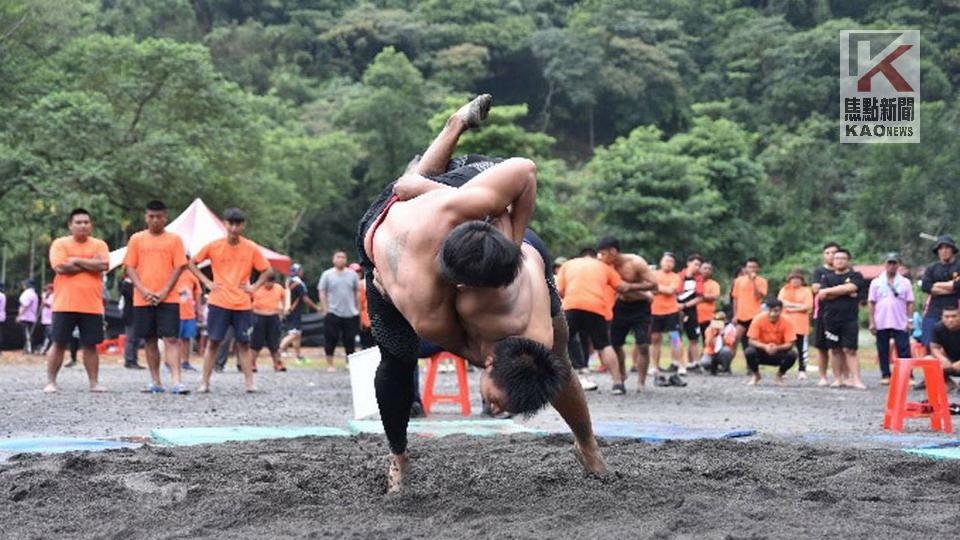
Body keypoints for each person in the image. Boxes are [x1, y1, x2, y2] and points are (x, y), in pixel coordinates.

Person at [357, 94, 605, 491]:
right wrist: (420, 188)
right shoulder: (426, 302)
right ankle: (399, 457)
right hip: (399, 230)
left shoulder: (528, 321)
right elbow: (409, 192)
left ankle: (588, 444)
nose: (494, 408)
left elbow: (521, 179)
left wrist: (514, 248)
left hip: (500, 248)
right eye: (499, 402)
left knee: (559, 354)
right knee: (396, 358)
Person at [187, 208, 273, 393]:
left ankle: (250, 383)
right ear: (224, 224)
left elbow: (267, 270)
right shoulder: (214, 245)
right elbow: (192, 263)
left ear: (243, 225)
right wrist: (206, 282)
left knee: (244, 343)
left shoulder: (250, 247)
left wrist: (254, 287)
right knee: (213, 342)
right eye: (230, 224)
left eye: (237, 224)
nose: (234, 228)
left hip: (242, 303)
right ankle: (205, 382)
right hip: (219, 301)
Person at [557, 244, 649, 394]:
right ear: (595, 255)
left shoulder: (568, 265)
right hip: (595, 308)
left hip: (571, 306)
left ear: (581, 255)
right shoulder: (604, 267)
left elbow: (559, 290)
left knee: (559, 343)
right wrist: (645, 288)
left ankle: (552, 382)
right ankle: (618, 384)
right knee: (604, 346)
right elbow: (622, 287)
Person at [123, 200, 189, 394]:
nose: (155, 220)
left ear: (165, 217)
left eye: (159, 216)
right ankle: (155, 381)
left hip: (168, 298)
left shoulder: (174, 239)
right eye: (151, 216)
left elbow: (179, 266)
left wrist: (165, 291)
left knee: (171, 338)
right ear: (146, 217)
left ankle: (177, 381)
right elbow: (130, 266)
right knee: (149, 339)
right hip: (142, 298)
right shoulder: (136, 239)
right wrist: (143, 290)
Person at [44, 208, 110, 393]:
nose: (82, 225)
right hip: (64, 303)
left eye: (86, 222)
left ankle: (94, 383)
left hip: (92, 304)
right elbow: (61, 268)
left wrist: (75, 260)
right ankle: (51, 381)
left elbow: (104, 265)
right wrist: (90, 263)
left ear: (91, 225)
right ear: (70, 225)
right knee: (58, 342)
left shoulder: (99, 245)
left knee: (91, 344)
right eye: (78, 222)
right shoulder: (60, 244)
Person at [597, 236, 657, 390]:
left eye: (604, 254)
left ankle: (641, 382)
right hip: (620, 306)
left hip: (641, 308)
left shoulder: (635, 262)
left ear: (613, 251)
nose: (602, 257)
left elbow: (654, 285)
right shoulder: (605, 265)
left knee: (643, 345)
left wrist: (629, 287)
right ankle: (621, 375)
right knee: (615, 345)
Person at [816, 248, 867, 389]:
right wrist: (843, 291)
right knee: (834, 350)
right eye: (837, 258)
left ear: (848, 260)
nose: (839, 260)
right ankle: (838, 379)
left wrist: (829, 291)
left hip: (849, 318)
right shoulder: (826, 277)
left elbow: (851, 287)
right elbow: (823, 296)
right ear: (833, 260)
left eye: (843, 258)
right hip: (830, 318)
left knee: (850, 350)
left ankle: (856, 379)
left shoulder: (856, 275)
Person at [868, 253, 913, 384]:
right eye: (889, 263)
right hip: (881, 320)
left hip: (900, 320)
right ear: (884, 264)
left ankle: (907, 375)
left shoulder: (905, 282)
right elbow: (871, 302)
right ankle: (885, 374)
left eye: (894, 263)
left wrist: (909, 320)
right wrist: (872, 321)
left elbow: (910, 302)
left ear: (899, 265)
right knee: (883, 349)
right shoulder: (876, 282)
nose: (892, 266)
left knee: (904, 349)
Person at [318, 251, 361, 372]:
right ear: (333, 260)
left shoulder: (352, 275)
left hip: (350, 313)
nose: (341, 259)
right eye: (338, 257)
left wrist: (357, 308)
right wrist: (325, 308)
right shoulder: (327, 274)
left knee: (350, 339)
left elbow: (357, 291)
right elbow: (322, 291)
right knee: (331, 338)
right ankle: (330, 364)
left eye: (343, 257)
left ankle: (349, 363)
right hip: (333, 312)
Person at [649, 252, 686, 385]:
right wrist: (661, 289)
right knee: (655, 339)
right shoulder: (653, 275)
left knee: (675, 337)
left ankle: (680, 364)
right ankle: (654, 366)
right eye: (666, 261)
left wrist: (657, 288)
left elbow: (671, 290)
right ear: (661, 262)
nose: (668, 263)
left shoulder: (676, 277)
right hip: (655, 311)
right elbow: (649, 289)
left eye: (671, 261)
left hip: (671, 311)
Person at [920, 235, 960, 350]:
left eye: (947, 247)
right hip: (934, 311)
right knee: (929, 345)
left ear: (953, 249)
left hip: (956, 311)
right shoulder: (932, 268)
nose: (944, 251)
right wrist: (952, 287)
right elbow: (926, 286)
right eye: (941, 248)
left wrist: (937, 285)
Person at [745, 299, 797, 386]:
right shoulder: (758, 319)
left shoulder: (787, 321)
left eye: (776, 311)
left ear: (781, 310)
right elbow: (751, 340)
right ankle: (756, 375)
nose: (772, 314)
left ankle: (779, 375)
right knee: (749, 352)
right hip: (762, 351)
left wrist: (777, 348)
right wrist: (765, 346)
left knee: (792, 354)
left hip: (779, 352)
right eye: (770, 310)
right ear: (766, 309)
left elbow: (791, 343)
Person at [811, 242, 840, 386]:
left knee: (840, 348)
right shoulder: (818, 271)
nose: (831, 255)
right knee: (822, 347)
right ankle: (822, 376)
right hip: (822, 313)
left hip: (840, 314)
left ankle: (840, 376)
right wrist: (839, 291)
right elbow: (816, 289)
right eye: (827, 253)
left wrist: (827, 291)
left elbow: (852, 292)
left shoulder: (846, 272)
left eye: (834, 252)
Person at [279, 263, 319, 362]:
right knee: (294, 334)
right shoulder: (299, 284)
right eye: (300, 270)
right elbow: (305, 298)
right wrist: (316, 308)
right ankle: (279, 349)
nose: (302, 272)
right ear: (298, 272)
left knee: (297, 333)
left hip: (288, 311)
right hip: (294, 311)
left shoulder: (288, 282)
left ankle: (298, 356)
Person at [778, 269, 813, 379]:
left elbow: (808, 306)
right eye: (793, 279)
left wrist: (790, 307)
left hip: (800, 324)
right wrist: (798, 306)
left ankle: (802, 370)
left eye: (798, 279)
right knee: (784, 348)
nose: (795, 281)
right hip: (786, 323)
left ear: (802, 281)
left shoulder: (806, 291)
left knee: (801, 348)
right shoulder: (785, 289)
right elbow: (780, 303)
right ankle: (783, 370)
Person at [731, 257, 768, 355]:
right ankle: (727, 365)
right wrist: (735, 314)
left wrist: (754, 281)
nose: (751, 269)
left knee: (752, 342)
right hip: (741, 315)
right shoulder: (738, 281)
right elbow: (735, 298)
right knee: (734, 339)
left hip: (755, 316)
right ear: (746, 268)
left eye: (753, 267)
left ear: (757, 269)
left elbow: (758, 296)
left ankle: (751, 366)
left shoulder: (762, 281)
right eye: (749, 267)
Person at [250, 273, 287, 372]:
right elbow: (247, 298)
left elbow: (284, 298)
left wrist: (282, 311)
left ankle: (277, 363)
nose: (269, 284)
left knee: (274, 343)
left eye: (271, 282)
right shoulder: (255, 287)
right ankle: (252, 363)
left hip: (273, 316)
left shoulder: (279, 288)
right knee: (256, 343)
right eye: (267, 282)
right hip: (259, 316)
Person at [677, 254, 704, 371]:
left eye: (699, 265)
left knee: (694, 338)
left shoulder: (698, 279)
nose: (697, 267)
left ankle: (696, 362)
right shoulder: (678, 277)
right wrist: (677, 305)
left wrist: (685, 305)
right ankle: (677, 362)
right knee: (676, 337)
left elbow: (700, 297)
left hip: (691, 311)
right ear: (688, 263)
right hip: (676, 310)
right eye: (695, 264)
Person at [175, 266, 202, 371]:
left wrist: (199, 309)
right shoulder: (172, 273)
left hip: (189, 313)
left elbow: (198, 293)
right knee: (173, 339)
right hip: (175, 312)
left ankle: (185, 361)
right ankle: (171, 361)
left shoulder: (192, 276)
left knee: (187, 338)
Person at [931, 306, 960, 386]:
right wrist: (943, 359)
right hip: (950, 361)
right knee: (928, 359)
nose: (950, 320)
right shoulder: (938, 328)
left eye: (954, 316)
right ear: (942, 317)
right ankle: (947, 382)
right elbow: (934, 347)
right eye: (946, 317)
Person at [696, 261, 721, 340]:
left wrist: (701, 295)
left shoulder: (714, 284)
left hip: (710, 317)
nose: (707, 271)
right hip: (695, 316)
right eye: (704, 268)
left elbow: (714, 297)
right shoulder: (694, 283)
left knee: (709, 339)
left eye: (709, 269)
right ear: (699, 270)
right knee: (694, 340)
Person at [353, 263, 375, 349]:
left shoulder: (363, 283)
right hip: (355, 317)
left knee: (368, 343)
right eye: (355, 272)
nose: (357, 274)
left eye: (358, 272)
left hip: (367, 318)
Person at [17, 278, 39, 354]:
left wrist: (19, 315)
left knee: (27, 334)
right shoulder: (34, 293)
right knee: (29, 333)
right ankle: (29, 348)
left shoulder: (27, 293)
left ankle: (29, 350)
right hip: (31, 316)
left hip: (26, 317)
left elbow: (25, 305)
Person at [39, 284, 54, 354]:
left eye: (47, 290)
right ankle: (45, 349)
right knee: (46, 334)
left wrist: (43, 298)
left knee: (49, 335)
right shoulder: (48, 297)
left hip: (50, 320)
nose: (46, 291)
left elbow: (48, 305)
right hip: (45, 319)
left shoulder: (53, 296)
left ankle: (45, 349)